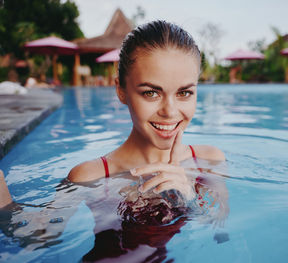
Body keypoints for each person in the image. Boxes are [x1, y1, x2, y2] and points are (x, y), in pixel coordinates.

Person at [0, 20, 228, 261]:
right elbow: (41, 236)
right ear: (121, 90)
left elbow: (220, 231)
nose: (170, 111)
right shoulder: (90, 176)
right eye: (151, 92)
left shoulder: (208, 160)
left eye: (184, 93)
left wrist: (187, 199)